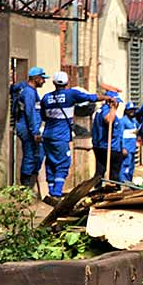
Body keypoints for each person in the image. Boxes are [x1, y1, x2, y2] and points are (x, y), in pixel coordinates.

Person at [40, 71, 103, 201]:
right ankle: (57, 193)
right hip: (61, 137)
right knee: (63, 163)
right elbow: (90, 98)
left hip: (47, 136)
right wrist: (107, 98)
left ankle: (51, 190)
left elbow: (43, 116)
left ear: (54, 83)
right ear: (67, 83)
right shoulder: (71, 94)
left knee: (50, 162)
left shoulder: (46, 97)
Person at [14, 67, 48, 188]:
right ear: (36, 78)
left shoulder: (31, 91)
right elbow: (30, 112)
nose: (44, 81)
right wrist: (35, 132)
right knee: (30, 156)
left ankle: (29, 185)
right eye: (43, 78)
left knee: (38, 156)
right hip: (28, 129)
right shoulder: (29, 92)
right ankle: (26, 187)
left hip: (31, 128)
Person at [91, 91, 124, 182]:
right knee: (113, 173)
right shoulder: (106, 110)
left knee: (100, 171)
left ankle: (98, 187)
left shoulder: (100, 110)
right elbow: (109, 120)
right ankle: (113, 191)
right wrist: (113, 108)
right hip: (109, 147)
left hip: (101, 146)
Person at [119, 102, 139, 183]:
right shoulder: (123, 121)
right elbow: (120, 135)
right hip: (126, 148)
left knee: (131, 166)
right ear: (126, 111)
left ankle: (129, 182)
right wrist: (123, 147)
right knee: (125, 165)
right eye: (130, 110)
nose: (132, 112)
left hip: (132, 147)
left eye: (133, 110)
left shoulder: (134, 121)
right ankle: (123, 182)